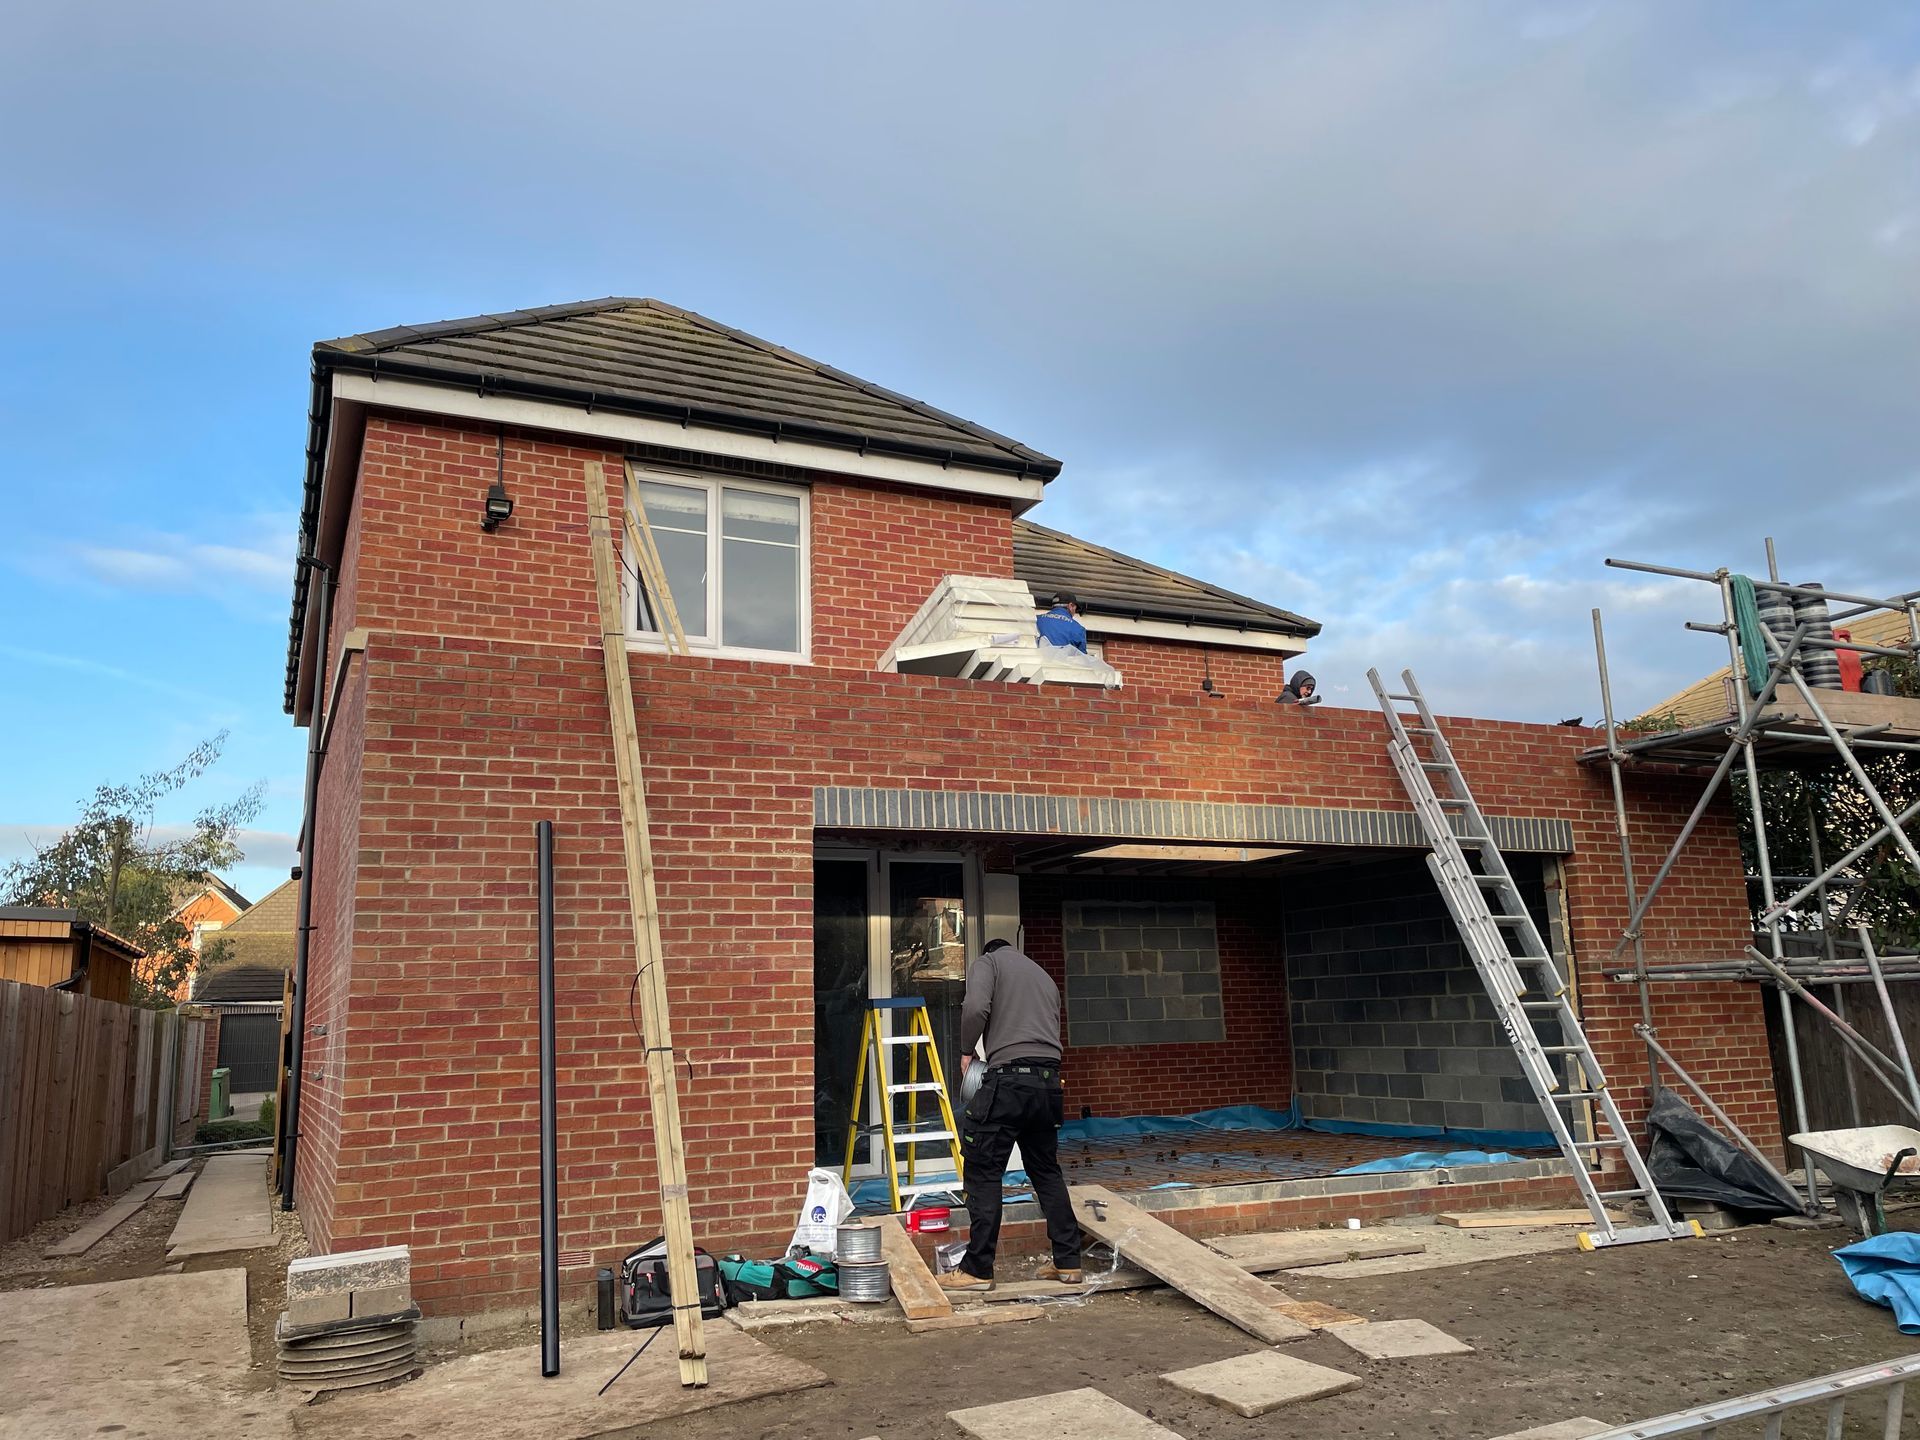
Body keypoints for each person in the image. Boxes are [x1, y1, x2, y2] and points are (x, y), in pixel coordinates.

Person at [936, 938, 1082, 1292]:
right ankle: (1068, 1262)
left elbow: (974, 1007)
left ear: (987, 951)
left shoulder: (989, 963)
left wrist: (967, 1051)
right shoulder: (1043, 976)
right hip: (1048, 1084)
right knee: (1046, 1171)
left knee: (983, 1171)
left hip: (1009, 1082)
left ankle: (977, 1269)